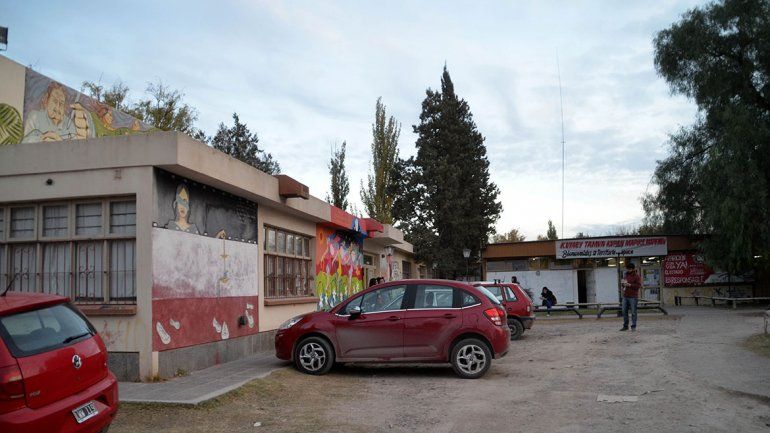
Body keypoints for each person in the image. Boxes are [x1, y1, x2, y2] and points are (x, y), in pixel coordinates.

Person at [620, 262, 642, 331]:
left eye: (629, 269)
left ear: (633, 269)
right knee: (624, 311)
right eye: (627, 269)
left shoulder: (637, 276)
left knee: (633, 312)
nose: (628, 270)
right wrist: (623, 284)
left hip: (633, 296)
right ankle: (625, 326)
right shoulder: (626, 275)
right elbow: (623, 284)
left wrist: (630, 285)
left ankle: (633, 326)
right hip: (625, 295)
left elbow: (638, 286)